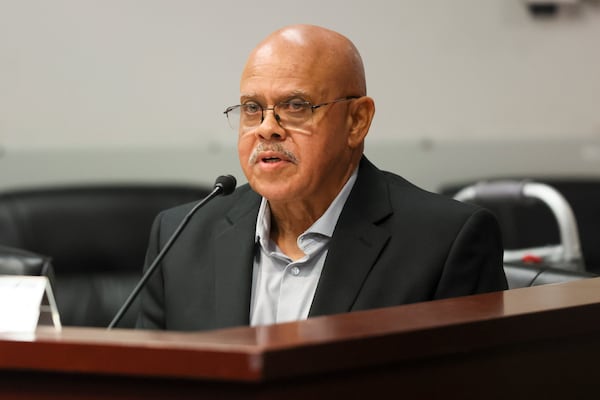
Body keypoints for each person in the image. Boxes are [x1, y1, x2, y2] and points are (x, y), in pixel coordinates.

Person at [136, 24, 507, 331]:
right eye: (252, 109)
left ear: (357, 121)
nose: (267, 129)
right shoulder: (180, 237)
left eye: (295, 106)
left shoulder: (445, 243)